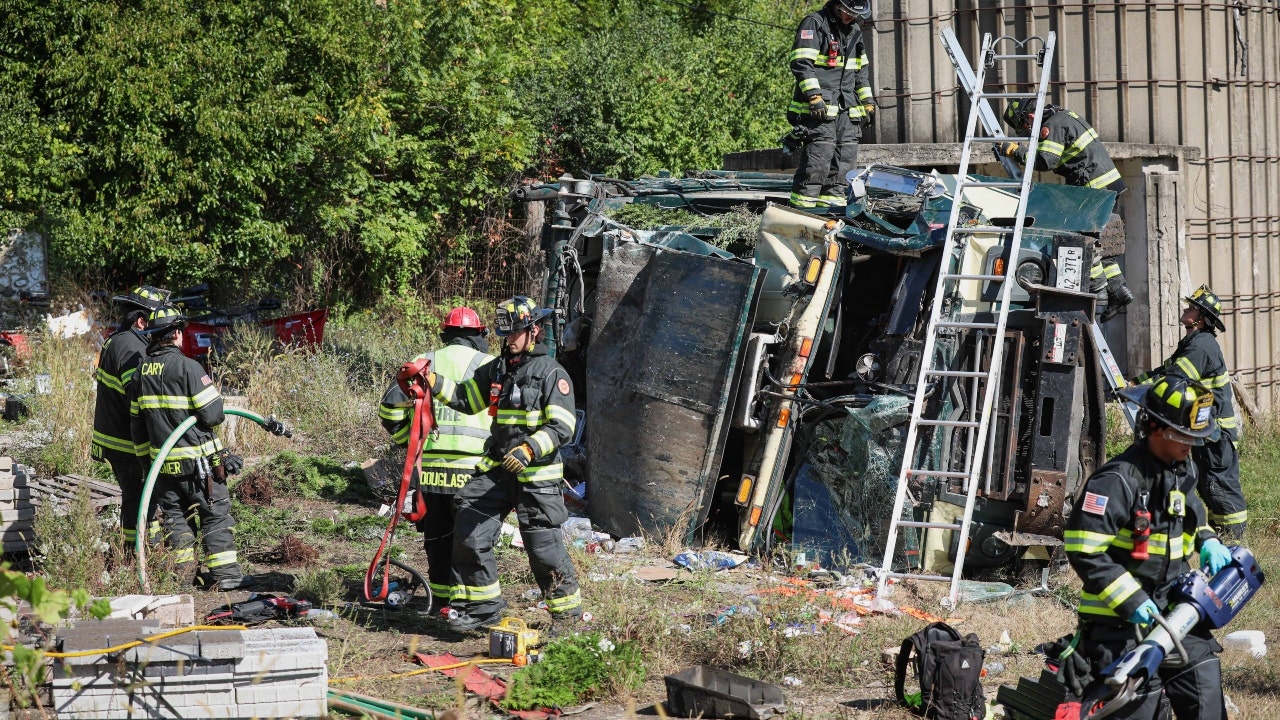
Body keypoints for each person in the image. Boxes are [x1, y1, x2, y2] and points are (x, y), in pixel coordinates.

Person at [1059, 375, 1231, 719]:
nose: (1191, 444)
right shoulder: (1116, 481)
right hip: (1119, 624)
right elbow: (1083, 549)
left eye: (1196, 436)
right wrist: (1133, 600)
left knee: (1206, 693)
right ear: (1156, 428)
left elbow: (1191, 510)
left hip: (1175, 611)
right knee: (1140, 708)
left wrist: (1208, 539)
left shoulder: (1182, 468)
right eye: (1184, 435)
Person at [426, 296, 581, 632]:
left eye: (514, 333)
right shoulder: (498, 368)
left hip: (536, 477)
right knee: (468, 530)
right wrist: (432, 381)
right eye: (505, 334)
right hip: (498, 471)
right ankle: (485, 609)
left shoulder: (552, 373)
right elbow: (466, 398)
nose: (508, 339)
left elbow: (563, 426)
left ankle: (568, 620)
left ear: (534, 331)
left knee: (543, 549)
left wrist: (528, 449)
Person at [129, 305, 253, 591]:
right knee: (215, 515)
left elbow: (137, 425)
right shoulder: (188, 367)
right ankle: (226, 575)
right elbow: (213, 415)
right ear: (175, 333)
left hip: (162, 467)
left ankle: (184, 578)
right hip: (199, 466)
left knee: (176, 520)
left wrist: (148, 465)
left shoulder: (140, 373)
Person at [379, 306, 493, 615]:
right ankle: (472, 604)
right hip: (476, 474)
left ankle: (441, 603)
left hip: (431, 472)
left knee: (438, 539)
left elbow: (389, 410)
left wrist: (412, 442)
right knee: (474, 541)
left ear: (445, 335)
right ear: (479, 335)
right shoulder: (490, 365)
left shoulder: (423, 362)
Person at [998, 98, 1132, 321]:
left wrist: (1014, 151)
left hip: (1091, 189)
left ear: (1030, 118)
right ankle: (1118, 290)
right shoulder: (1066, 116)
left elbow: (1045, 161)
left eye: (1025, 127)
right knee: (1101, 243)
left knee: (1082, 242)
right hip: (1106, 186)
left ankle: (1096, 290)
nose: (1028, 132)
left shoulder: (1053, 125)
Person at [1132, 285, 1246, 538]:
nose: (1185, 309)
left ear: (1201, 318)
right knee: (1208, 485)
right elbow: (1165, 370)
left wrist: (1139, 393)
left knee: (1218, 485)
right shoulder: (1192, 343)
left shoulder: (1201, 347)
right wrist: (1134, 383)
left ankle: (1236, 538)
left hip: (1217, 432)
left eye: (1192, 307)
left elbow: (1175, 379)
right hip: (1205, 427)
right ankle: (1221, 533)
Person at [92, 286, 167, 549]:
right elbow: (139, 397)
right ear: (142, 322)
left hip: (118, 437)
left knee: (143, 495)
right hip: (126, 442)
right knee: (137, 496)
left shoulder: (121, 339)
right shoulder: (131, 348)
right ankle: (135, 551)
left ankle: (147, 547)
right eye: (158, 320)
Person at [786, 0, 874, 213]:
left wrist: (868, 102)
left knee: (844, 163)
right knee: (817, 162)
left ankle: (832, 213)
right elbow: (801, 63)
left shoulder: (854, 30)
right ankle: (801, 213)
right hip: (820, 111)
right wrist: (814, 96)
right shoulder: (815, 24)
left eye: (855, 14)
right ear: (836, 5)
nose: (850, 17)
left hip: (848, 110)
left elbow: (861, 71)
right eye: (847, 12)